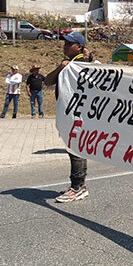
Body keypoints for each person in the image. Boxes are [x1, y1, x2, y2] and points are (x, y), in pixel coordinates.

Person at [44, 31, 93, 203]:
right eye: (64, 43)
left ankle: (77, 187)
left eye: (68, 44)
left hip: (78, 113)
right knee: (76, 147)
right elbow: (48, 81)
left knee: (75, 148)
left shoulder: (80, 65)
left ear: (79, 47)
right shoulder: (68, 64)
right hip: (69, 113)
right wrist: (61, 67)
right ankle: (80, 186)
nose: (64, 46)